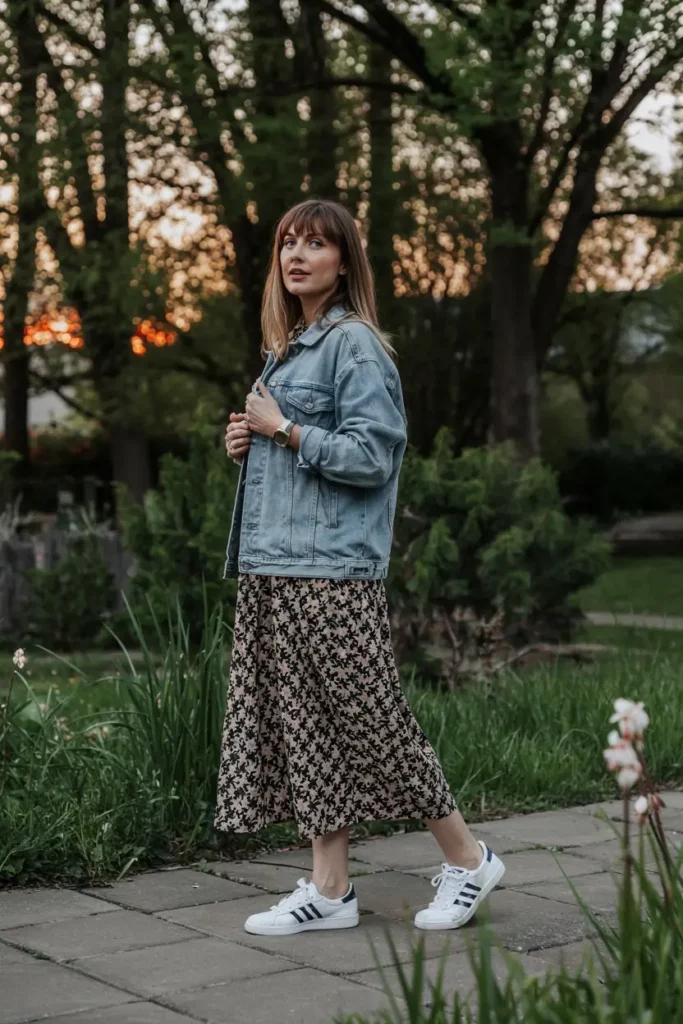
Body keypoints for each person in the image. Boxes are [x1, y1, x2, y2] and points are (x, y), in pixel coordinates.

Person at [214, 198, 505, 936]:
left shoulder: (355, 345)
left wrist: (287, 431)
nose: (297, 255)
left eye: (316, 243)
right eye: (288, 243)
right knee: (304, 723)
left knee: (373, 719)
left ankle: (469, 859)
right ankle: (330, 888)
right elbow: (300, 447)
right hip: (274, 565)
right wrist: (253, 444)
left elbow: (374, 457)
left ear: (345, 262)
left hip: (331, 572)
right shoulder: (291, 348)